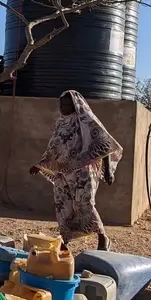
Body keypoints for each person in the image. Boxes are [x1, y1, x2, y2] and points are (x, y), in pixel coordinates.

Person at [29, 90, 123, 251]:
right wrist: (40, 165)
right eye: (62, 105)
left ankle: (102, 237)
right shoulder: (61, 123)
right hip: (62, 173)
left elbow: (104, 143)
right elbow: (54, 147)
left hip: (83, 172)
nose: (65, 108)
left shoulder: (86, 121)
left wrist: (108, 171)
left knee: (85, 204)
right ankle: (65, 241)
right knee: (63, 205)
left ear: (76, 105)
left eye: (68, 104)